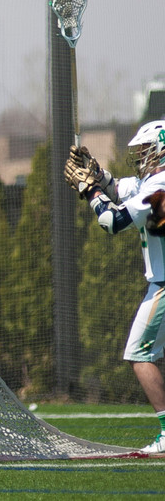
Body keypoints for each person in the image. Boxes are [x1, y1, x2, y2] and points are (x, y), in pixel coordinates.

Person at [64, 119, 165, 454]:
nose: (141, 158)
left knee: (139, 352)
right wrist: (95, 172)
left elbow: (112, 221)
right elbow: (124, 189)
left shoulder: (159, 184)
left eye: (146, 150)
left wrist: (89, 189)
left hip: (163, 285)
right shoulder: (153, 181)